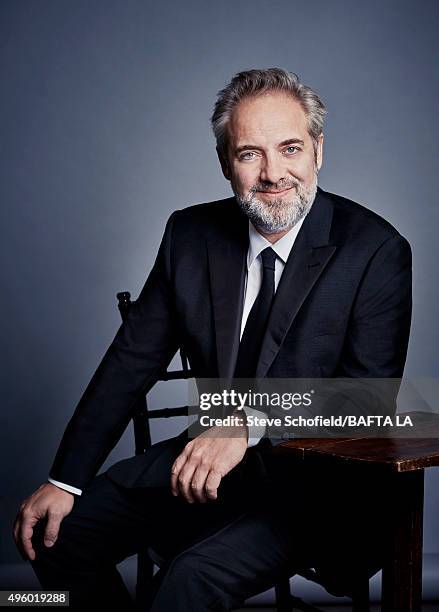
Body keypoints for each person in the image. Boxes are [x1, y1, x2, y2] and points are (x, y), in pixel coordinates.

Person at [13, 68, 412, 610]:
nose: (274, 173)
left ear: (318, 150)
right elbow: (130, 363)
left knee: (191, 579)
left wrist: (250, 423)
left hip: (317, 487)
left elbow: (368, 400)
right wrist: (66, 480)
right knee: (51, 535)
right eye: (250, 153)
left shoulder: (376, 250)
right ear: (226, 163)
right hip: (203, 470)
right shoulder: (189, 236)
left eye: (290, 148)